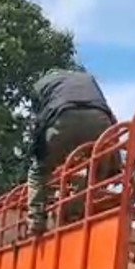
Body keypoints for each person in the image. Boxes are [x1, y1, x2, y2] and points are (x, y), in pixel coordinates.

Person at [27, 68, 123, 235]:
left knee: (38, 172)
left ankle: (36, 220)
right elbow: (111, 118)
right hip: (99, 121)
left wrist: (39, 151)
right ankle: (72, 210)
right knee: (98, 171)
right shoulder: (88, 79)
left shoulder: (41, 84)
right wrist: (116, 163)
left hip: (62, 119)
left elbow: (39, 121)